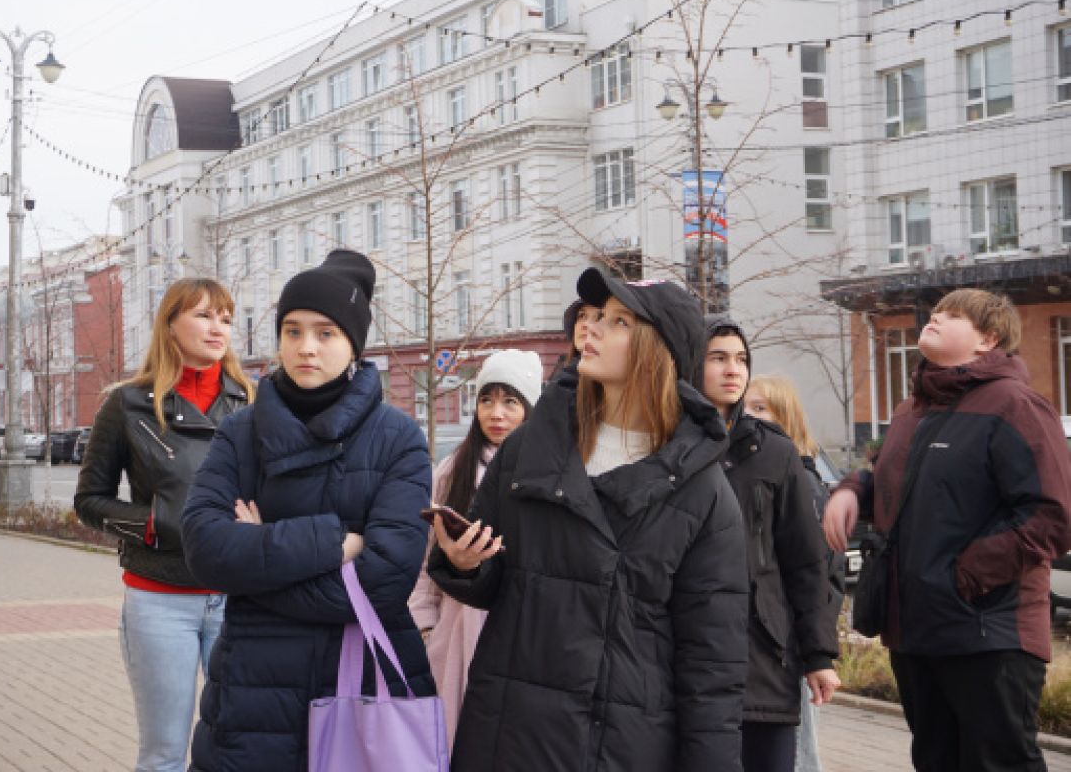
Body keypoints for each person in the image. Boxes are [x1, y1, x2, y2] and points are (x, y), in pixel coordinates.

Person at [429, 269, 749, 771]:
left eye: (618, 321)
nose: (593, 328)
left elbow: (713, 667)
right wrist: (466, 564)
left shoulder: (703, 491)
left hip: (622, 744)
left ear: (657, 349)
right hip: (512, 732)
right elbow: (494, 580)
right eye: (596, 316)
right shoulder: (529, 448)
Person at [178, 249, 435, 772]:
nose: (306, 348)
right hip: (251, 696)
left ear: (354, 343)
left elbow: (385, 580)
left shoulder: (398, 439)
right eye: (292, 331)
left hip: (358, 683)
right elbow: (204, 549)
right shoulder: (240, 432)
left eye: (325, 333)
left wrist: (256, 568)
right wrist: (335, 542)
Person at [823, 289, 1071, 772]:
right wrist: (853, 489)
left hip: (989, 632)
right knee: (936, 760)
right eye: (934, 313)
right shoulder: (910, 410)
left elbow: (1052, 515)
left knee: (997, 763)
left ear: (988, 339)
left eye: (952, 316)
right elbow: (894, 482)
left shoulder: (1016, 406)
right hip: (915, 630)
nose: (933, 320)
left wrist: (963, 575)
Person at [74, 278, 255, 772]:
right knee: (163, 754)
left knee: (241, 747)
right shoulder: (127, 404)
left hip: (235, 599)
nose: (217, 327)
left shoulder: (253, 403)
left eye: (225, 318)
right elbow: (89, 500)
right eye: (202, 315)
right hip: (159, 600)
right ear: (170, 325)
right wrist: (155, 524)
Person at [701, 316, 840, 772]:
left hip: (763, 658)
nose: (732, 369)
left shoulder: (775, 453)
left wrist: (818, 655)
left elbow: (806, 560)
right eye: (718, 357)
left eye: (741, 359)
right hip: (688, 657)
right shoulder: (670, 449)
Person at [408, 348, 543, 750]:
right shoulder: (454, 470)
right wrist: (426, 624)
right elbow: (425, 556)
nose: (496, 413)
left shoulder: (544, 472)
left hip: (521, 630)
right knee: (455, 742)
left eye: (510, 401)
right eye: (487, 399)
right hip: (456, 629)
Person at [745, 374, 846, 772]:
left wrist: (811, 644)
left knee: (800, 753)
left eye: (762, 408)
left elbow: (812, 569)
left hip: (788, 641)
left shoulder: (800, 480)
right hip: (776, 641)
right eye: (747, 407)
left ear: (787, 419)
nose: (750, 416)